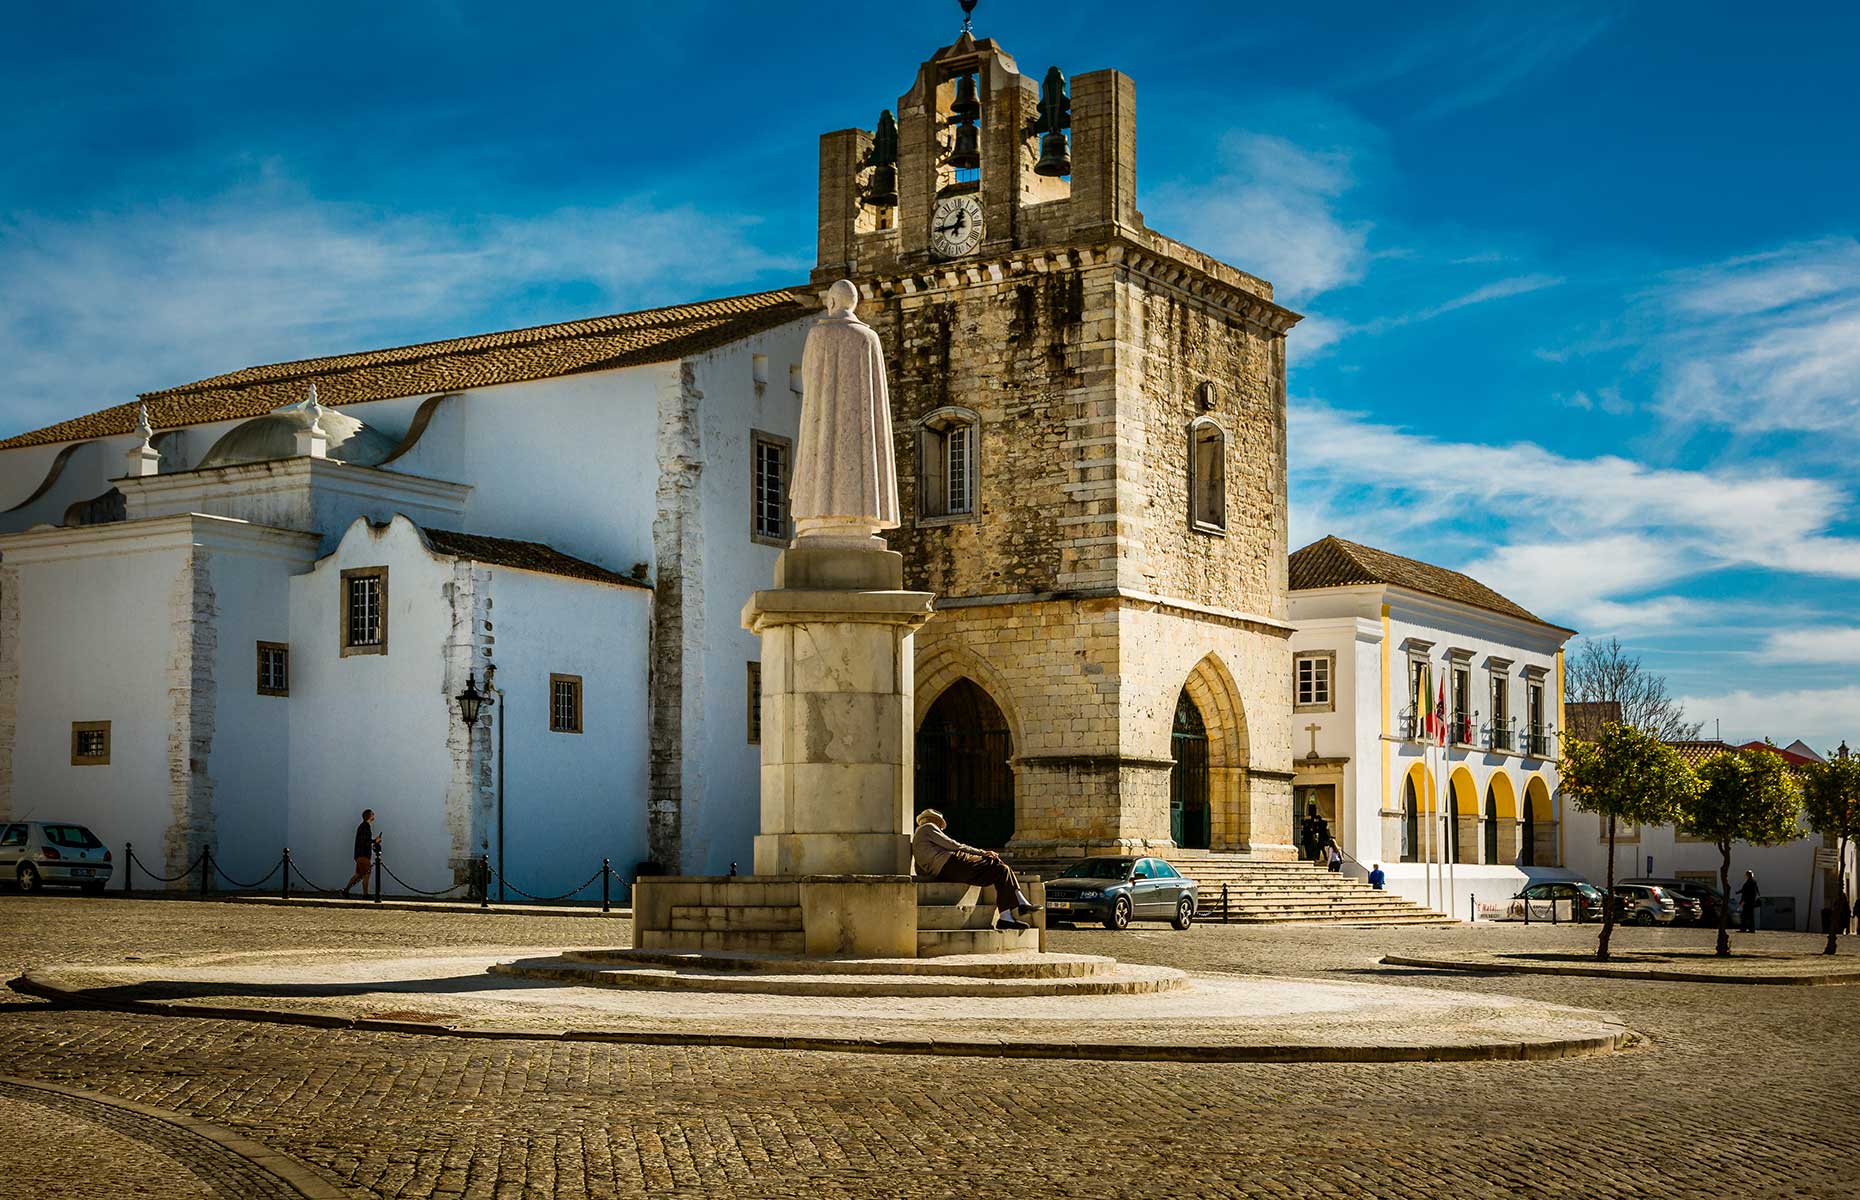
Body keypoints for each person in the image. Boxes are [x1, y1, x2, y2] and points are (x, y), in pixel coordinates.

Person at [911, 809, 1039, 930]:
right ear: (935, 821)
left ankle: (1008, 916)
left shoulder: (919, 837)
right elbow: (954, 845)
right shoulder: (927, 828)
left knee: (1001, 871)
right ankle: (1019, 904)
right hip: (952, 863)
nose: (940, 828)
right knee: (995, 862)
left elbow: (920, 867)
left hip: (945, 871)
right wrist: (983, 852)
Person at [342, 809, 379, 898]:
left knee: (358, 874)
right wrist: (375, 841)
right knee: (367, 873)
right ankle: (365, 894)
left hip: (359, 855)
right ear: (369, 816)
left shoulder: (363, 826)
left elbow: (364, 840)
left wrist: (374, 841)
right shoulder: (365, 827)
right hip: (363, 855)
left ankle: (346, 891)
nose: (374, 815)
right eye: (372, 814)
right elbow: (364, 841)